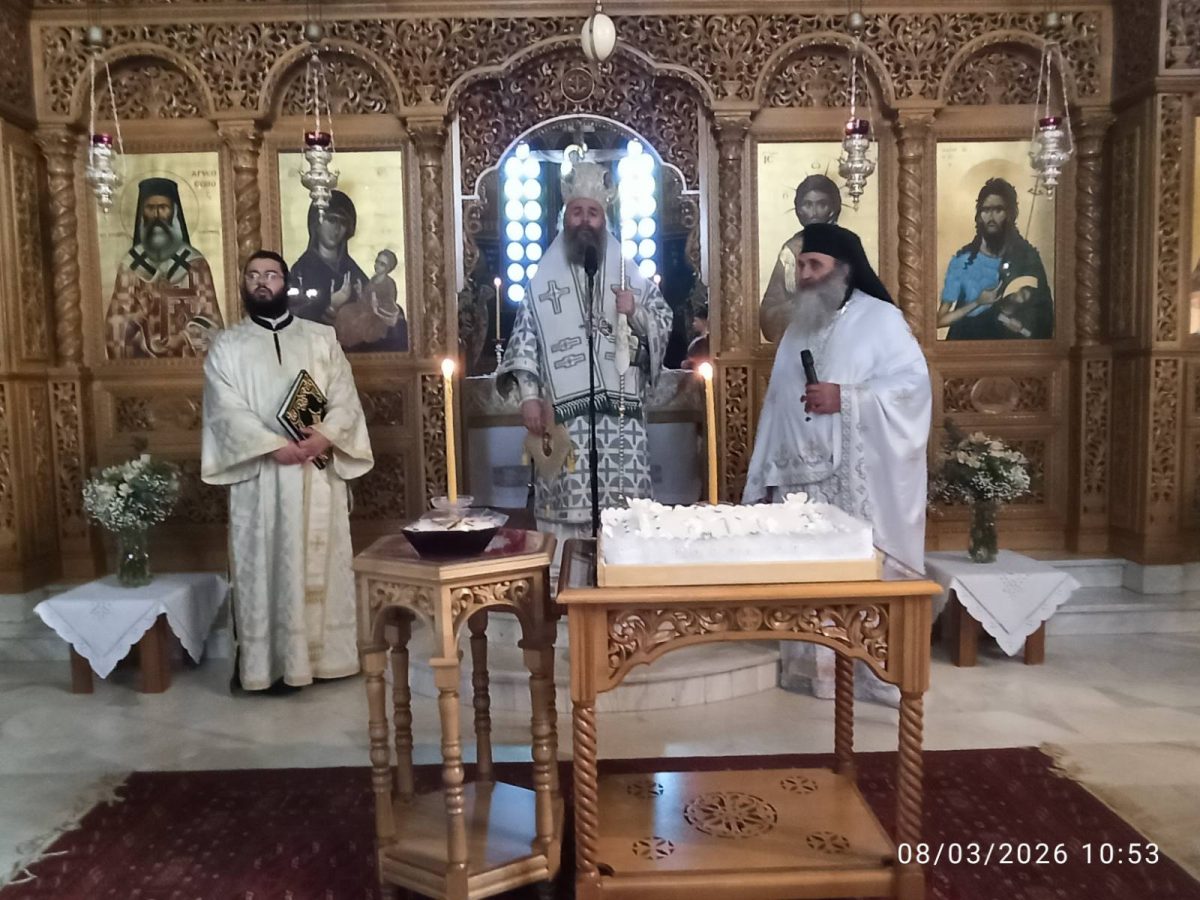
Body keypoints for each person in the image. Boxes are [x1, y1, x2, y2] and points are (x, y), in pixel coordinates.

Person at [745, 223, 931, 704]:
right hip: (800, 486)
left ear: (843, 270)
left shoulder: (881, 319)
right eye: (801, 265)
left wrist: (845, 398)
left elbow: (912, 388)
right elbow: (776, 405)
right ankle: (817, 673)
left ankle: (874, 674)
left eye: (815, 265)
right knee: (810, 574)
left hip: (855, 481)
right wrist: (764, 475)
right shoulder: (797, 328)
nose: (804, 275)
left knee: (859, 570)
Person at [202, 250, 373, 694]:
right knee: (262, 569)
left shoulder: (321, 338)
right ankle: (266, 665)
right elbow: (224, 410)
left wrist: (325, 436)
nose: (262, 282)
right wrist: (272, 445)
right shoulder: (228, 345)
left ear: (286, 283)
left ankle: (326, 661)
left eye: (271, 275)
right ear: (244, 284)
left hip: (316, 476)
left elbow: (345, 396)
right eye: (253, 275)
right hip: (261, 480)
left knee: (322, 565)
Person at [497, 158, 673, 545]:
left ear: (603, 218)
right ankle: (566, 578)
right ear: (565, 217)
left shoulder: (628, 271)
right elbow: (525, 338)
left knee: (623, 516)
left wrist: (636, 312)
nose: (584, 221)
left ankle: (622, 575)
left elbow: (663, 322)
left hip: (620, 419)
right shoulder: (543, 277)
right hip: (565, 419)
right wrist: (529, 398)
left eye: (592, 213)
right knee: (567, 511)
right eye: (577, 212)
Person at [105, 177, 224, 359]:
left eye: (163, 207)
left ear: (174, 212)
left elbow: (212, 320)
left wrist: (183, 338)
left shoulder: (195, 264)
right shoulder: (130, 266)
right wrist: (138, 316)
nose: (157, 215)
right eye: (150, 208)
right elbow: (114, 324)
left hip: (187, 366)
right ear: (142, 214)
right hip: (142, 366)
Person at [937, 177, 1053, 340]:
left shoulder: (1025, 257)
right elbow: (939, 320)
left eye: (998, 210)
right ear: (979, 216)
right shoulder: (963, 260)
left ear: (1010, 214)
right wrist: (978, 302)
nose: (991, 217)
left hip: (1008, 346)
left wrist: (1021, 323)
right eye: (985, 210)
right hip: (965, 343)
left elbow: (1043, 311)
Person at [759, 175, 844, 342]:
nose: (814, 212)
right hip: (800, 343)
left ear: (833, 208)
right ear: (798, 209)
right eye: (807, 205)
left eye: (822, 204)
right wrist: (799, 307)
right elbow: (769, 311)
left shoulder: (846, 246)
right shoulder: (791, 251)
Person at [287, 191, 368, 326]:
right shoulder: (302, 270)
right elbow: (296, 317)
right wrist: (330, 305)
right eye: (331, 220)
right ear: (316, 223)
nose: (336, 229)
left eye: (342, 222)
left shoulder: (353, 271)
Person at [333, 248, 408, 351]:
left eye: (382, 264)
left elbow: (390, 303)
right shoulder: (373, 279)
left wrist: (377, 304)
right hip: (364, 308)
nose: (377, 265)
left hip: (377, 316)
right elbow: (365, 298)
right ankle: (339, 343)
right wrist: (360, 291)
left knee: (356, 320)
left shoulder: (389, 283)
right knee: (344, 311)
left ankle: (350, 344)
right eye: (377, 261)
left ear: (388, 268)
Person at [682, 305, 710, 370]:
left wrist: (689, 363)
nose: (693, 324)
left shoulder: (705, 341)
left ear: (704, 321)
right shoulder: (698, 339)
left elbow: (701, 359)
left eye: (696, 321)